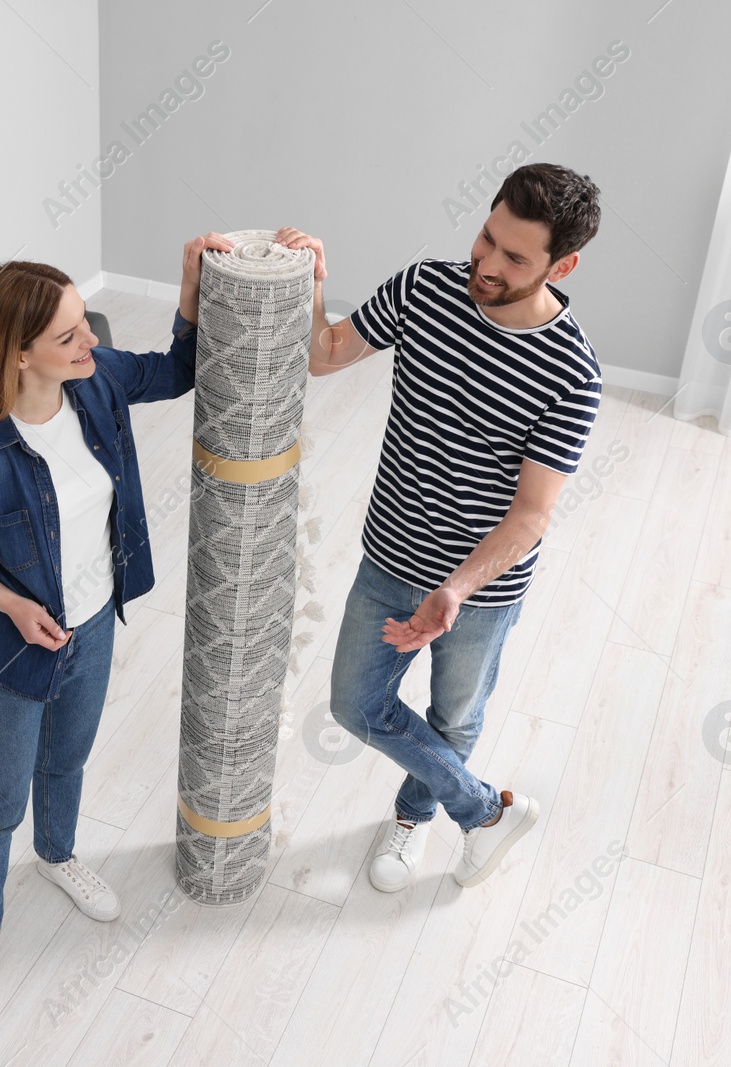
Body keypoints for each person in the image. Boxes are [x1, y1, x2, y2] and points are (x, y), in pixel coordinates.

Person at [0, 233, 233, 1021]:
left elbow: (180, 370)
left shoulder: (97, 381)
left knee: (69, 760)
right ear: (19, 354)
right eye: (70, 335)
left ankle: (58, 856)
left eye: (86, 323)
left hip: (95, 625)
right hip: (8, 645)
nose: (93, 341)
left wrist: (189, 281)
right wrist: (9, 601)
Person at [279, 163, 603, 892]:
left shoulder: (571, 372)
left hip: (482, 589)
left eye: (515, 257)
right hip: (392, 551)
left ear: (564, 263)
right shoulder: (424, 288)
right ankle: (485, 810)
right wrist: (314, 280)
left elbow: (532, 514)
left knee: (453, 715)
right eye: (486, 237)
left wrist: (455, 589)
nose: (486, 264)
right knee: (355, 704)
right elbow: (325, 355)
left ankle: (415, 817)